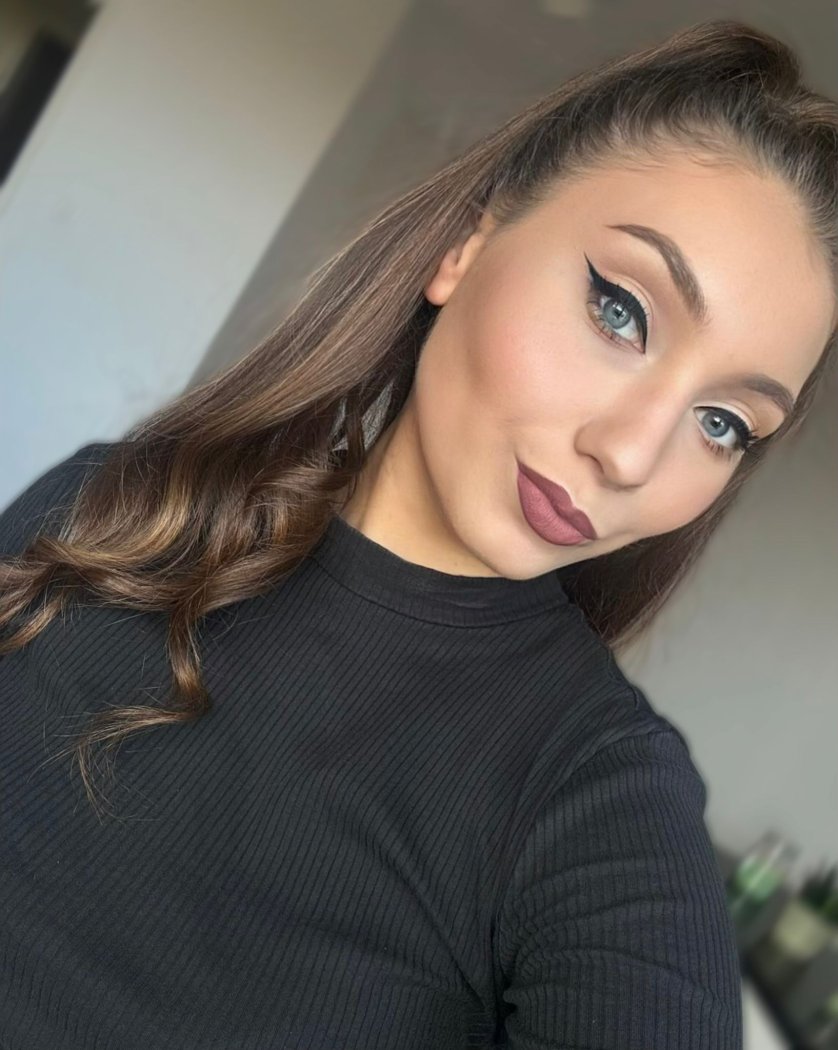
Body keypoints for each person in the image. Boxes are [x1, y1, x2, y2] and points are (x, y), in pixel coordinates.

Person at [1, 18, 836, 1050]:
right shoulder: (116, 503)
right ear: (466, 248)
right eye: (621, 311)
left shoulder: (594, 800)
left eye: (722, 425)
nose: (630, 455)